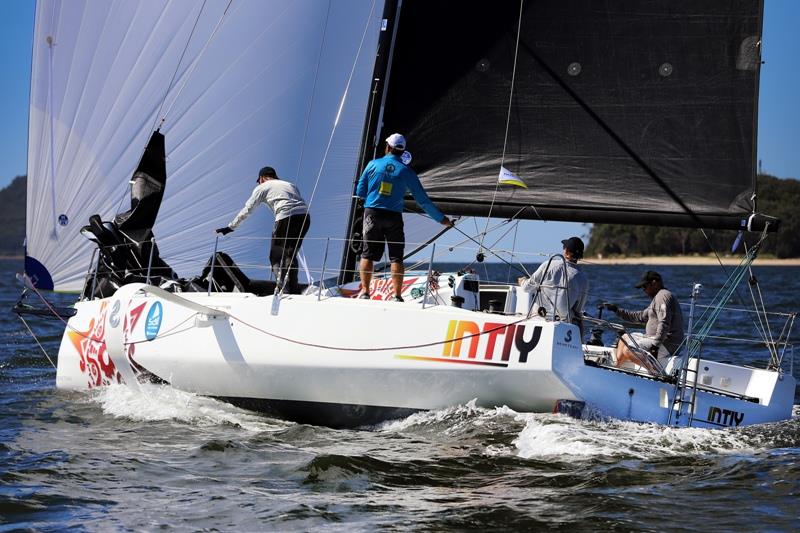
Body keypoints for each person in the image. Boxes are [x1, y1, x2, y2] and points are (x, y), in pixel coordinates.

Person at [356, 133, 452, 301]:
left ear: (387, 147)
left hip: (372, 213)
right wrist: (442, 219)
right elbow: (423, 200)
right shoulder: (407, 172)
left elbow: (360, 192)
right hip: (393, 217)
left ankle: (365, 292)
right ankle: (397, 295)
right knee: (396, 256)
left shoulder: (372, 164)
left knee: (367, 254)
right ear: (402, 151)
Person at [216, 166, 310, 294]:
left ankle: (284, 289)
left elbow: (248, 209)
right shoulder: (289, 184)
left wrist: (230, 227)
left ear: (262, 178)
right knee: (290, 255)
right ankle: (293, 289)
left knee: (276, 257)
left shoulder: (262, 187)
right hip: (304, 217)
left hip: (285, 217)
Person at [605, 270, 684, 373]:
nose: (644, 290)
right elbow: (640, 317)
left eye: (645, 287)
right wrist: (617, 310)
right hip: (652, 338)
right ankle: (617, 368)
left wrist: (655, 346)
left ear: (655, 283)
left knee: (629, 349)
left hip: (666, 343)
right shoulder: (656, 299)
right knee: (624, 337)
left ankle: (654, 371)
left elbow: (664, 323)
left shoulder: (662, 296)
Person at [518, 237, 589, 337]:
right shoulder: (583, 278)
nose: (563, 249)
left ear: (567, 252)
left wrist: (522, 281)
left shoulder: (548, 265)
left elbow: (526, 287)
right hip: (564, 327)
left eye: (564, 247)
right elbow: (578, 309)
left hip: (539, 319)